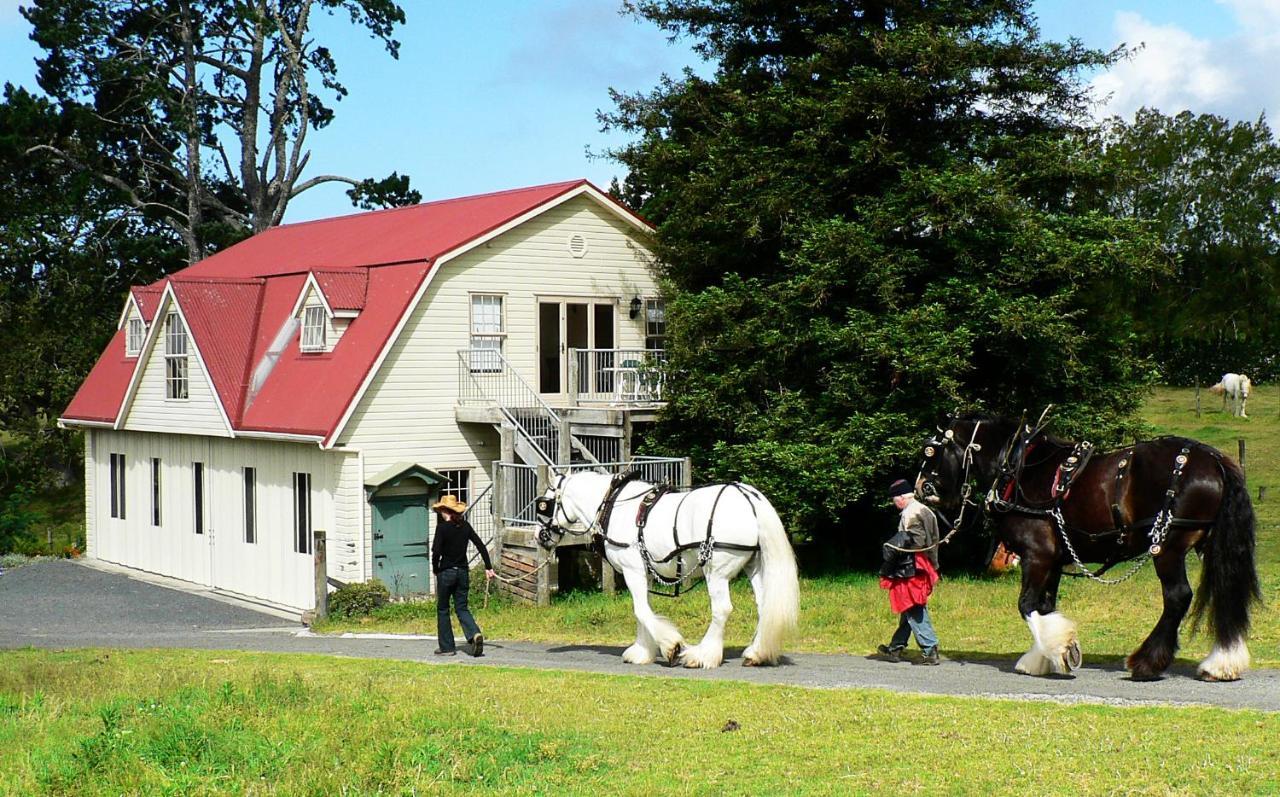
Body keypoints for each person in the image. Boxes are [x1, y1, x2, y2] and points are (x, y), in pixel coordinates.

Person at [877, 479, 942, 665]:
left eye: (894, 499)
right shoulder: (925, 510)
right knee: (909, 607)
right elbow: (932, 542)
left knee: (913, 606)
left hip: (911, 566)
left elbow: (917, 540)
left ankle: (930, 649)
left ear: (901, 497)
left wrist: (892, 546)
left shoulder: (911, 513)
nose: (893, 502)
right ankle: (895, 648)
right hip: (923, 563)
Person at [430, 494, 495, 657]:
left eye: (441, 511)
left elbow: (436, 551)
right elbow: (480, 544)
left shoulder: (442, 528)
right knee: (461, 607)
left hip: (446, 572)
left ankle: (447, 648)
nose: (440, 513)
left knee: (443, 608)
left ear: (446, 511)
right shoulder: (465, 526)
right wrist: (488, 566)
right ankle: (474, 633)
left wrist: (435, 567)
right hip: (463, 572)